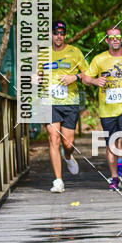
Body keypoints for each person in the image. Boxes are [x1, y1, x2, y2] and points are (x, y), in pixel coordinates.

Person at [83, 26, 122, 191]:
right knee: (112, 144)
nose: (115, 40)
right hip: (107, 109)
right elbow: (85, 78)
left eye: (117, 37)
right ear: (106, 40)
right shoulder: (99, 59)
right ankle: (114, 177)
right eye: (111, 38)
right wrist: (95, 81)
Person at [36, 20, 88, 194]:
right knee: (53, 137)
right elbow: (36, 75)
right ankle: (58, 180)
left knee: (68, 143)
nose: (59, 36)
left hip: (69, 101)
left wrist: (75, 77)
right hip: (49, 101)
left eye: (62, 33)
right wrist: (35, 79)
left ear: (65, 35)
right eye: (55, 33)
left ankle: (68, 156)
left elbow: (88, 73)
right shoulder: (43, 54)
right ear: (50, 35)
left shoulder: (74, 52)